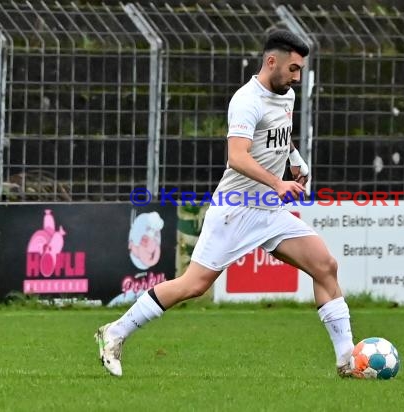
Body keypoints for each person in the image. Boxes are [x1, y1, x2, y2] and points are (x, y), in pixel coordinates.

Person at [95, 29, 355, 378]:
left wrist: (295, 160)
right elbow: (237, 157)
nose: (297, 77)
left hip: (270, 211)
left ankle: (347, 361)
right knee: (193, 285)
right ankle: (115, 332)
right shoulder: (246, 100)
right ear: (271, 61)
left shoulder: (286, 94)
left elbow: (281, 133)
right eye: (293, 68)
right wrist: (278, 182)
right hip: (236, 210)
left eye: (300, 70)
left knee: (325, 266)